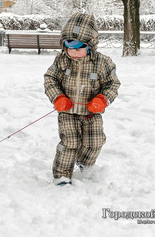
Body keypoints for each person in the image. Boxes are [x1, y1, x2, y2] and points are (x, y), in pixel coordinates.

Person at [44, 12, 121, 186]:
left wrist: (102, 99)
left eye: (78, 48)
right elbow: (50, 78)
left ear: (90, 46)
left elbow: (112, 84)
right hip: (67, 112)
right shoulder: (62, 60)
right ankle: (62, 175)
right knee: (69, 142)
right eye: (69, 47)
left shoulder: (103, 63)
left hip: (91, 112)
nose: (73, 52)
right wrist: (57, 97)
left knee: (95, 142)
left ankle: (85, 162)